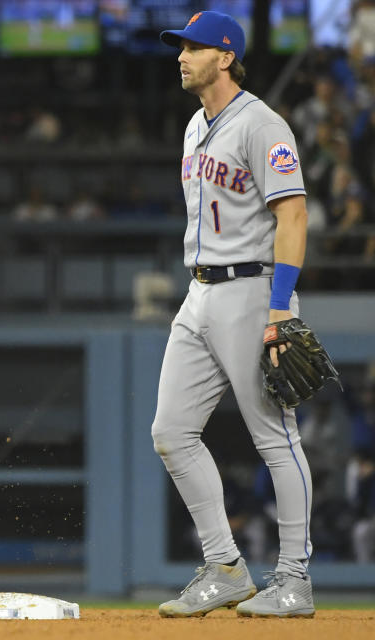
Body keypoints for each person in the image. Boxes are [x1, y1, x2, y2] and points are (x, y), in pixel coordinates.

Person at [151, 13, 316, 618]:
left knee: (276, 437)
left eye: (192, 47)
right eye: (180, 47)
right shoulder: (195, 125)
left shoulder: (262, 123)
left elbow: (292, 215)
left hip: (251, 289)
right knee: (170, 431)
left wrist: (280, 308)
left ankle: (294, 579)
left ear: (225, 55)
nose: (181, 56)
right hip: (199, 292)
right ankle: (224, 567)